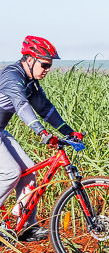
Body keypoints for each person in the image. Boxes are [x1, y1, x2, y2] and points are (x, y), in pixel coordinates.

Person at [0, 36, 84, 241]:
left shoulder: (32, 82)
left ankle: (26, 226)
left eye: (50, 65)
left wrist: (69, 131)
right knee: (11, 172)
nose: (47, 69)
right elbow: (21, 106)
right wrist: (41, 132)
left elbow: (45, 109)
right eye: (44, 64)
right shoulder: (12, 76)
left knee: (28, 172)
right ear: (30, 59)